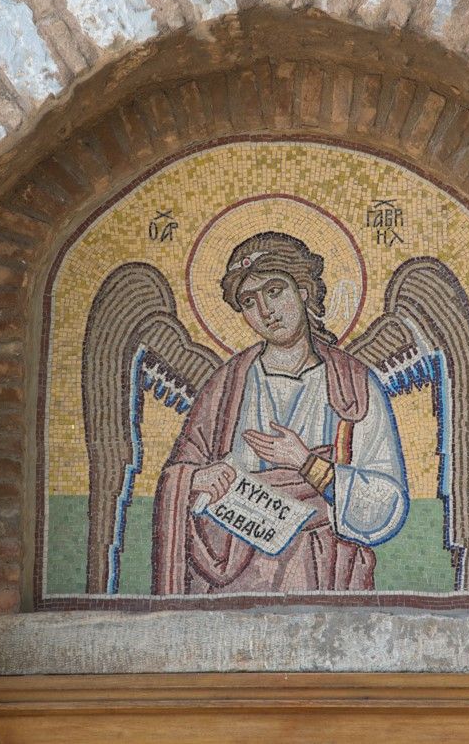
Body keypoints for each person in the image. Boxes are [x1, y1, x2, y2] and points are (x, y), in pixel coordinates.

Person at [152, 231, 408, 594]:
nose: (266, 311)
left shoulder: (354, 385)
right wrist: (195, 479)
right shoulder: (224, 387)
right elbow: (179, 474)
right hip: (234, 580)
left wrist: (306, 463)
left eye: (274, 291)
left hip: (324, 573)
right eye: (249, 301)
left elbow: (388, 504)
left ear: (302, 291)